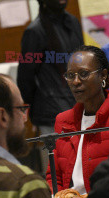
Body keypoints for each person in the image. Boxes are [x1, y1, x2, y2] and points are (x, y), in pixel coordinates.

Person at [46, 45, 109, 194]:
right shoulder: (63, 120)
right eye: (70, 75)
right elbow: (54, 176)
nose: (76, 82)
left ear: (103, 75)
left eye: (84, 73)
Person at [17, 0, 84, 172]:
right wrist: (31, 108)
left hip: (78, 106)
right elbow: (25, 77)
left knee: (82, 169)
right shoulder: (35, 31)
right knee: (60, 175)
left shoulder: (73, 22)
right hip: (51, 114)